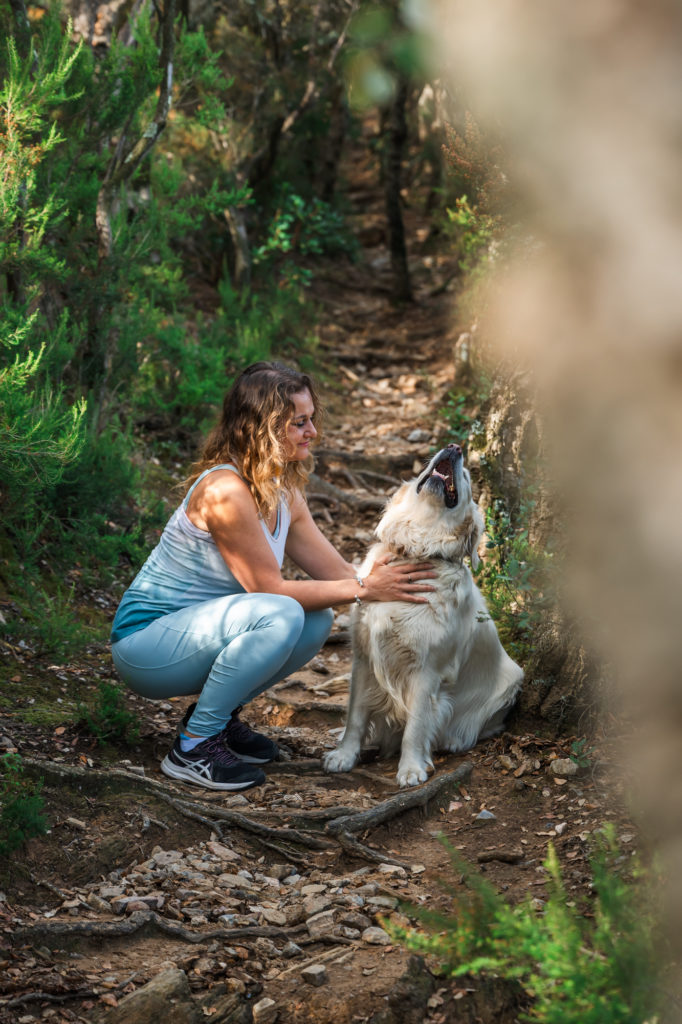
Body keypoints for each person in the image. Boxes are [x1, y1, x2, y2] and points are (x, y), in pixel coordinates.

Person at [110, 361, 435, 791]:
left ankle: (216, 721)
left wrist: (409, 569)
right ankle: (193, 747)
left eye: (311, 419)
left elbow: (341, 575)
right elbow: (267, 589)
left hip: (193, 638)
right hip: (145, 647)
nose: (312, 432)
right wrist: (363, 588)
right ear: (263, 427)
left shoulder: (284, 492)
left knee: (316, 617)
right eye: (299, 422)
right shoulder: (224, 491)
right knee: (281, 613)